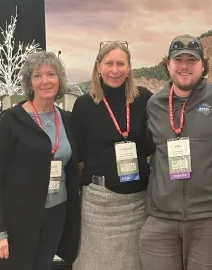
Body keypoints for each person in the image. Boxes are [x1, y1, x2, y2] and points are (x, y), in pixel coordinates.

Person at [139, 34, 212, 270]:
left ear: (203, 65)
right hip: (161, 216)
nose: (184, 66)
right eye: (178, 60)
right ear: (168, 65)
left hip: (208, 216)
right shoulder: (154, 104)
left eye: (191, 60)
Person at [0, 51, 80, 270]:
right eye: (37, 75)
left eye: (51, 74)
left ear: (60, 79)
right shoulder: (11, 121)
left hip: (55, 215)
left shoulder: (67, 120)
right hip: (19, 219)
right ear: (29, 82)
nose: (45, 81)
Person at [70, 41, 153, 270]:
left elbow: (154, 142)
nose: (114, 70)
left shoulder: (144, 99)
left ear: (129, 68)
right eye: (108, 63)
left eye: (120, 63)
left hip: (137, 204)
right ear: (98, 67)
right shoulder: (85, 105)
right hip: (98, 204)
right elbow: (79, 158)